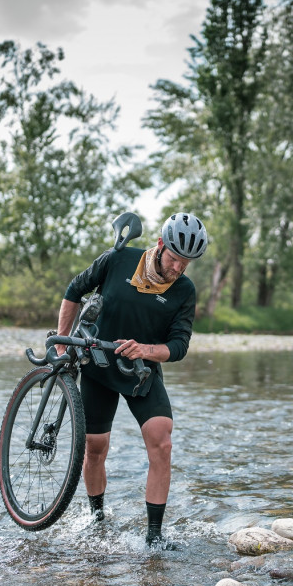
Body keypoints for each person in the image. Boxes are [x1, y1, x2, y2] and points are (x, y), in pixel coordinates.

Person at [55, 212, 207, 546]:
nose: (179, 267)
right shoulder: (119, 259)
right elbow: (74, 289)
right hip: (96, 365)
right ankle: (97, 519)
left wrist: (147, 350)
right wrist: (63, 340)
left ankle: (154, 538)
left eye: (187, 263)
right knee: (95, 449)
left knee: (162, 441)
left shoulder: (184, 290)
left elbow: (179, 345)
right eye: (175, 258)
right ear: (160, 244)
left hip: (140, 371)